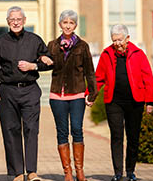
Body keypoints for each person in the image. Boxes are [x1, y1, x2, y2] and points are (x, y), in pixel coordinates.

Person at [0, 6, 53, 181]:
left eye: (19, 19)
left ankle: (31, 172)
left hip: (30, 90)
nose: (15, 22)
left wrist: (35, 65)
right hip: (7, 91)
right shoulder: (1, 42)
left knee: (31, 129)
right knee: (11, 130)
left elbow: (49, 61)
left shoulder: (35, 40)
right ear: (8, 22)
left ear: (24, 21)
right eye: (12, 19)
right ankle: (17, 173)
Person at [95, 24, 153, 181]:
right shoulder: (106, 54)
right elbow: (98, 78)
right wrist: (91, 95)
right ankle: (118, 173)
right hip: (114, 102)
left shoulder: (138, 54)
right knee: (116, 136)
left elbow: (148, 78)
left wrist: (150, 101)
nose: (117, 43)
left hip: (135, 102)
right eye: (114, 40)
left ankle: (130, 171)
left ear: (127, 38)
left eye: (120, 40)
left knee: (133, 137)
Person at [47, 10, 97, 181]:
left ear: (75, 25)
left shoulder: (83, 46)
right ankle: (67, 172)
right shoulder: (52, 46)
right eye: (65, 22)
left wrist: (92, 94)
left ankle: (79, 170)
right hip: (57, 96)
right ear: (60, 24)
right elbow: (44, 66)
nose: (68, 25)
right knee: (62, 132)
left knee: (77, 129)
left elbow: (90, 72)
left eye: (71, 23)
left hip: (77, 94)